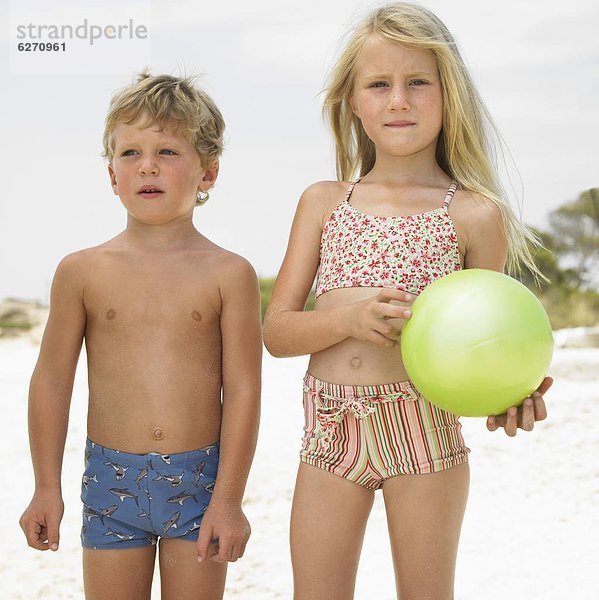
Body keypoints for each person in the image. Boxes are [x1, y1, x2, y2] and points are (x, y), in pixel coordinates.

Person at [263, 4, 552, 599]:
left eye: (418, 81)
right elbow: (278, 334)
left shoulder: (475, 213)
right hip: (331, 431)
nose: (399, 99)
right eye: (379, 84)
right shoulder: (322, 202)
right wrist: (348, 319)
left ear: (449, 95)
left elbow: (487, 340)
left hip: (426, 433)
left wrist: (508, 397)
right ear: (353, 103)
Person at [19, 72, 262, 600]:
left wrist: (229, 500)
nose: (147, 165)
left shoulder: (230, 274)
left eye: (168, 151)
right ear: (111, 175)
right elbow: (52, 381)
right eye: (130, 152)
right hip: (110, 477)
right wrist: (45, 486)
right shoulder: (81, 271)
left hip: (201, 480)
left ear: (209, 171)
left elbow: (243, 390)